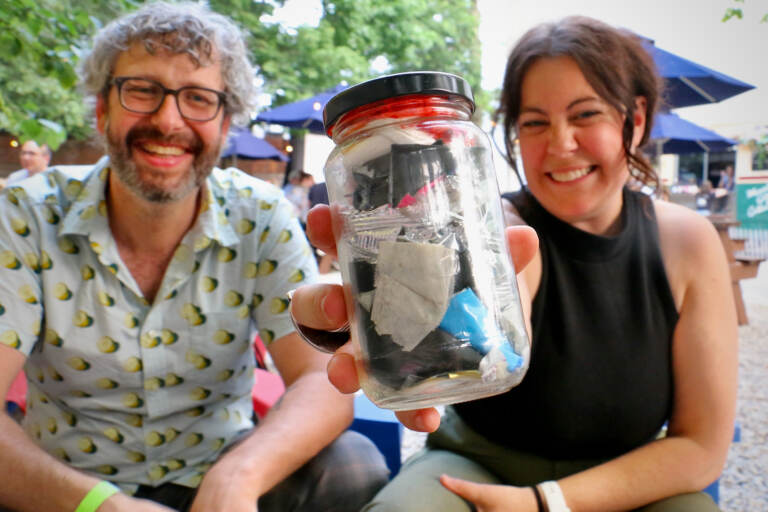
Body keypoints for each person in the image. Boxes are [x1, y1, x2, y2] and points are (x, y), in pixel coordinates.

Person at [291, 15, 738, 512]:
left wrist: (543, 502)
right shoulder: (492, 222)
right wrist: (383, 312)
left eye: (586, 114)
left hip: (630, 478)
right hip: (475, 464)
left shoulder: (687, 241)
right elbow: (504, 291)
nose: (561, 143)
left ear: (635, 117)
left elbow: (702, 446)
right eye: (534, 122)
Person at [0, 3, 388, 512]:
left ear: (225, 124)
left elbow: (321, 381)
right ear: (102, 110)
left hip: (219, 472)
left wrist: (239, 477)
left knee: (354, 464)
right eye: (141, 90)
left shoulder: (261, 215)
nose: (167, 120)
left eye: (198, 98)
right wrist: (101, 505)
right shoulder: (26, 213)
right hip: (68, 488)